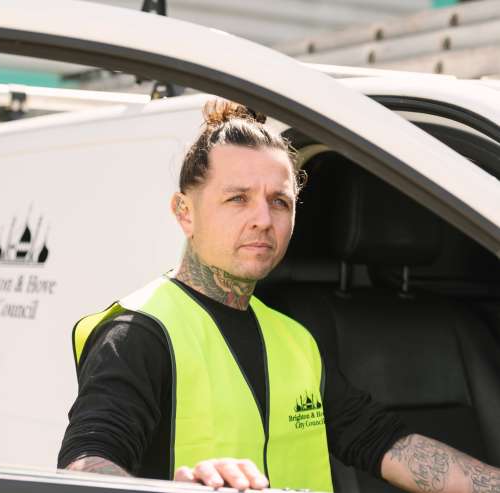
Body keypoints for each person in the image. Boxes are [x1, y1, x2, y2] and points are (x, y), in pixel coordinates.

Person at [57, 99, 500, 493]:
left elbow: (381, 441)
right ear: (184, 212)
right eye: (237, 199)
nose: (263, 220)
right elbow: (85, 464)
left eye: (279, 202)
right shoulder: (139, 332)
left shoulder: (293, 339)